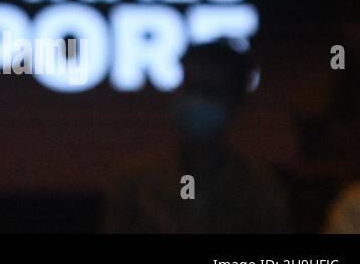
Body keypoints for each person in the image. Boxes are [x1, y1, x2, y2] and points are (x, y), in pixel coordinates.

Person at [104, 40, 291, 233]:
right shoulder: (136, 183)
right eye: (190, 87)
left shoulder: (259, 189)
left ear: (236, 102)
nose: (196, 100)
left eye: (209, 91)